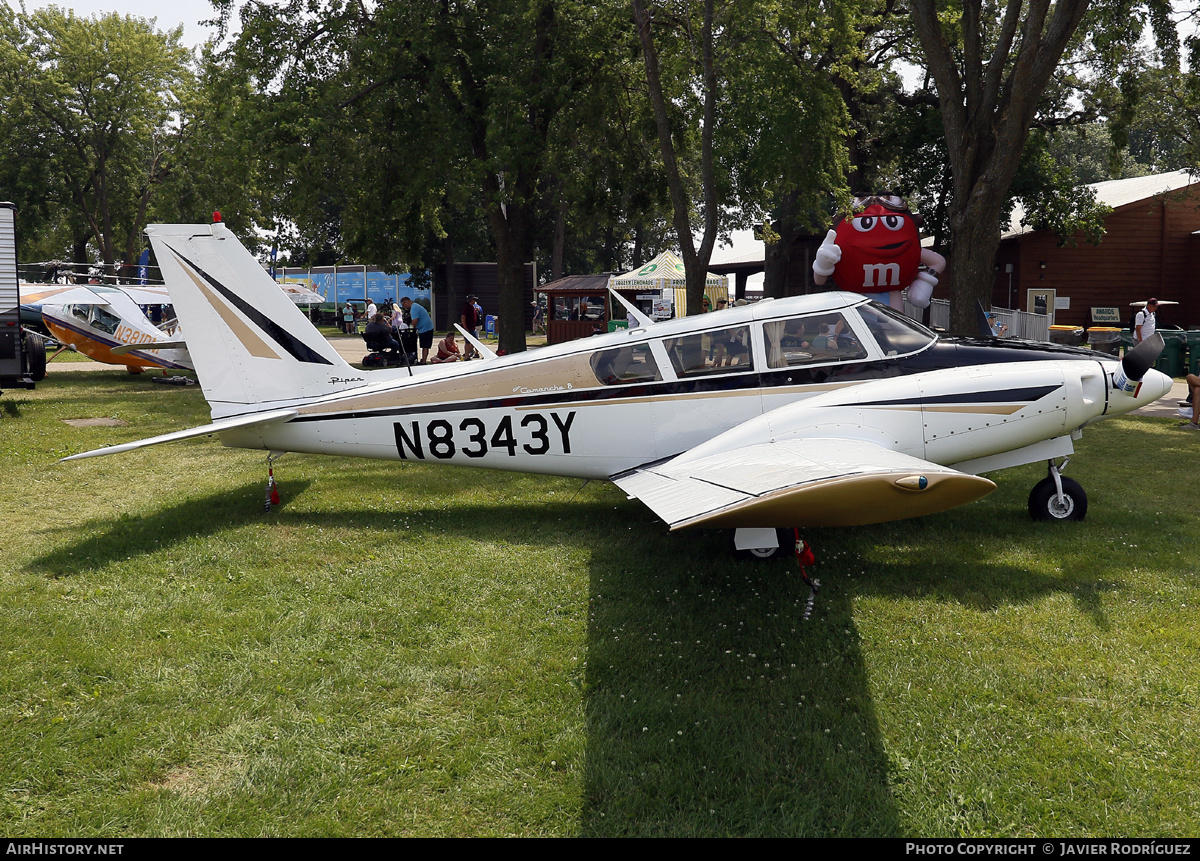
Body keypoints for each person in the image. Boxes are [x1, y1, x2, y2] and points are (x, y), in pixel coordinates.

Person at [400, 296, 434, 364]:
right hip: (426, 328)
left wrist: (411, 327)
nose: (404, 307)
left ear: (406, 302)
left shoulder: (414, 308)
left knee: (425, 346)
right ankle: (423, 360)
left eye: (404, 305)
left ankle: (423, 361)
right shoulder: (415, 306)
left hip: (426, 329)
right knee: (424, 346)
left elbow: (415, 320)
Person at [461, 295, 480, 359]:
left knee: (476, 341)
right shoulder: (467, 307)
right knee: (467, 342)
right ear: (470, 300)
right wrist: (465, 327)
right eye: (473, 299)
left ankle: (472, 352)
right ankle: (466, 356)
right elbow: (463, 317)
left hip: (473, 328)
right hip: (468, 328)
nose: (474, 301)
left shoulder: (472, 307)